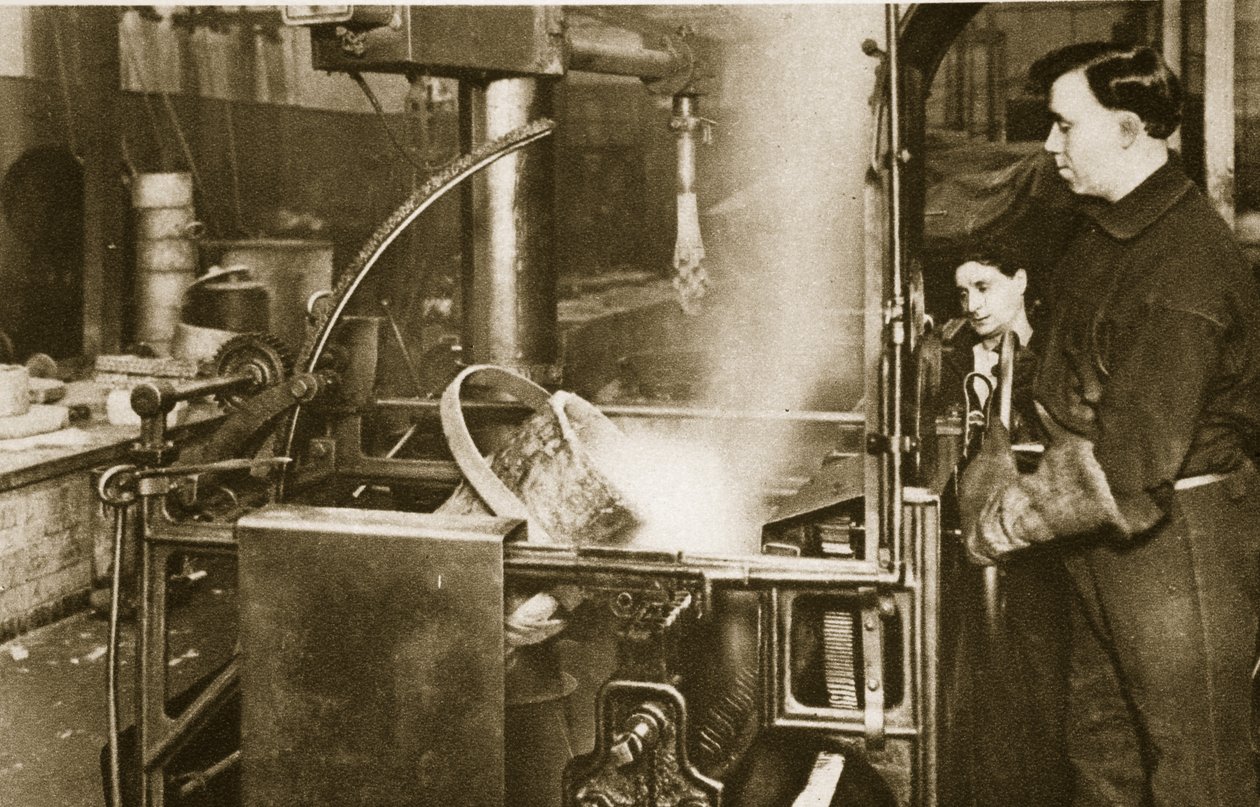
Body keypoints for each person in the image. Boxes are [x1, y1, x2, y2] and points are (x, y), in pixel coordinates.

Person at [959, 42, 1260, 807]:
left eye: (1065, 126)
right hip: (1104, 538)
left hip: (1173, 543)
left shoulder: (1183, 260)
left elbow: (1132, 457)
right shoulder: (1108, 233)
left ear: (1128, 130)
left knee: (1198, 774)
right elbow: (1065, 377)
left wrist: (1011, 517)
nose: (1050, 145)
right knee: (1102, 750)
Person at [932, 248, 1072, 807]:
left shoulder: (1052, 361)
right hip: (976, 553)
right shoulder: (959, 362)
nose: (973, 306)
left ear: (1021, 279)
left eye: (985, 288)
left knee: (1038, 697)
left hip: (1040, 557)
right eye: (964, 294)